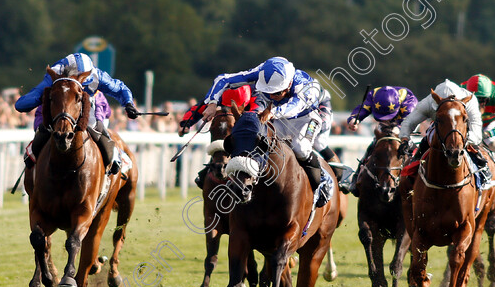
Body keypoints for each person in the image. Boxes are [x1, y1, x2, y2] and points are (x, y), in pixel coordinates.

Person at [201, 57, 347, 207]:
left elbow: (295, 106)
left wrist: (272, 112)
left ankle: (323, 180)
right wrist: (212, 102)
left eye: (276, 93)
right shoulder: (260, 72)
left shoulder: (306, 85)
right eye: (267, 91)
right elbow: (223, 79)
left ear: (289, 84)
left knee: (300, 147)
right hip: (276, 114)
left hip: (307, 116)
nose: (271, 95)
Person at [14, 52, 139, 175]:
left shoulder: (96, 75)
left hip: (88, 102)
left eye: (85, 81)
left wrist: (128, 104)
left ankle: (116, 156)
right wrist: (41, 96)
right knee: (43, 128)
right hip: (58, 104)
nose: (82, 83)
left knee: (96, 126)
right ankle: (33, 156)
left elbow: (120, 89)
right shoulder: (55, 73)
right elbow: (20, 105)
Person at [398, 79, 492, 188]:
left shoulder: (470, 101)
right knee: (428, 138)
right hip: (440, 128)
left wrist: (465, 142)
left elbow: (476, 129)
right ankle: (414, 167)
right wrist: (404, 138)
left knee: (474, 147)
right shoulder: (428, 102)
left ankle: (483, 170)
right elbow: (408, 122)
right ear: (437, 101)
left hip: (463, 131)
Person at [344, 86, 418, 195]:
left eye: (388, 116)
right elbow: (363, 108)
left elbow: (410, 124)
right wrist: (354, 119)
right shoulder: (373, 95)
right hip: (387, 125)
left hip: (404, 122)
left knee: (410, 146)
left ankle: (420, 179)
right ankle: (356, 178)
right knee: (376, 144)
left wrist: (398, 130)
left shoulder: (409, 102)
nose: (386, 119)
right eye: (383, 116)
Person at [179, 85, 258, 188]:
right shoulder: (218, 95)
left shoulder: (255, 97)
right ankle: (208, 172)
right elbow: (197, 109)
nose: (231, 107)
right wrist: (185, 124)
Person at [460, 74, 495, 187]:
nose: (480, 103)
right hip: (470, 121)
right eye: (476, 99)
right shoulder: (461, 90)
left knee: (490, 142)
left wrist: (489, 133)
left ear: (490, 95)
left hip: (489, 123)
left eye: (484, 100)